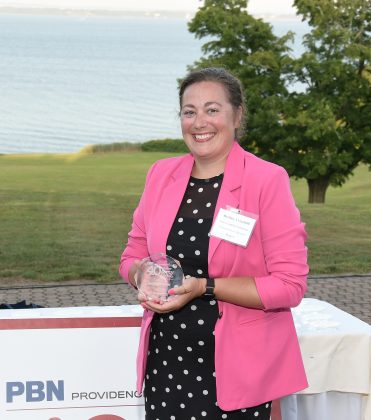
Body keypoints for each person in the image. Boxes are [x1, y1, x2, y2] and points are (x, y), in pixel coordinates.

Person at [119, 67, 309, 420]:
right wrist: (142, 274)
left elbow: (289, 285)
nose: (199, 122)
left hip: (237, 371)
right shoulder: (160, 174)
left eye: (212, 110)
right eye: (189, 112)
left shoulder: (266, 180)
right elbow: (132, 255)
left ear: (237, 116)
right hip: (167, 362)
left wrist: (204, 287)